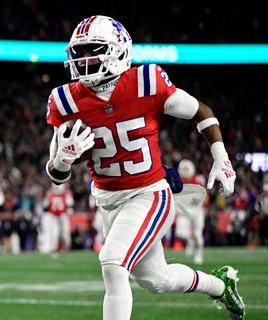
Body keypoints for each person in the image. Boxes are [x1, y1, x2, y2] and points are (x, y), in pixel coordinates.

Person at [44, 15, 244, 320]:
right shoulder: (64, 99)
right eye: (80, 52)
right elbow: (57, 175)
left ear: (119, 51)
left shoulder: (146, 81)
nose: (85, 60)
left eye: (94, 50)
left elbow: (201, 112)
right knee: (157, 279)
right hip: (108, 201)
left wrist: (222, 158)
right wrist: (64, 159)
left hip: (149, 193)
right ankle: (221, 286)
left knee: (113, 262)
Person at [174, 159, 208, 264]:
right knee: (179, 233)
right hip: (185, 209)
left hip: (197, 209)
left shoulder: (198, 180)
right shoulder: (178, 181)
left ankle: (199, 254)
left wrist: (205, 208)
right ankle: (190, 241)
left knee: (198, 234)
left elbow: (206, 198)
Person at [40, 182, 73, 257]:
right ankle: (54, 249)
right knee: (55, 233)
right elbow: (45, 206)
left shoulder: (65, 194)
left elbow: (70, 204)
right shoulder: (50, 194)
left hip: (63, 215)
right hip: (55, 216)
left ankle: (66, 248)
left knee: (65, 233)